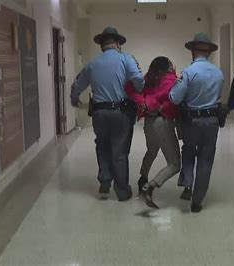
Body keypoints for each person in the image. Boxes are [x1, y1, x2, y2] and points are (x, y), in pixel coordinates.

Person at [70, 27, 144, 201]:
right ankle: (122, 190)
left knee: (102, 145)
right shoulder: (126, 58)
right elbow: (139, 80)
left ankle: (105, 179)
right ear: (118, 43)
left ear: (101, 45)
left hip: (100, 113)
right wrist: (139, 91)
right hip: (121, 112)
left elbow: (77, 86)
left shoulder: (92, 64)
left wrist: (74, 100)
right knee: (119, 149)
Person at [169, 33, 224, 213]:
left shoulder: (189, 72)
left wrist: (176, 84)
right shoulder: (218, 73)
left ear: (193, 51)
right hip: (212, 121)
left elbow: (175, 99)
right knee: (206, 159)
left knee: (189, 149)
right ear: (209, 52)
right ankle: (197, 202)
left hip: (192, 121)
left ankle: (187, 184)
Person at [125, 56, 181, 209]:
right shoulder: (171, 79)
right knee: (175, 164)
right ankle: (150, 187)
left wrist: (142, 103)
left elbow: (129, 88)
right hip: (162, 122)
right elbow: (175, 100)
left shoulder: (147, 79)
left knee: (151, 151)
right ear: (167, 68)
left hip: (148, 123)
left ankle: (142, 178)